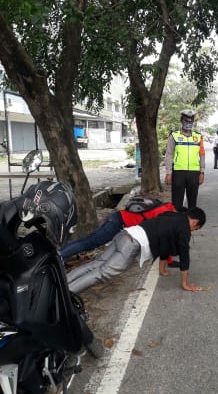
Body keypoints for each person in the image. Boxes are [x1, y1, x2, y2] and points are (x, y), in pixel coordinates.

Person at [66, 207, 206, 294]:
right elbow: (184, 256)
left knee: (96, 264)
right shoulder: (184, 229)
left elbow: (164, 244)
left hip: (124, 234)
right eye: (195, 229)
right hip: (132, 244)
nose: (193, 231)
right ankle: (65, 294)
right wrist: (185, 284)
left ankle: (64, 282)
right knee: (102, 273)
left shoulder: (171, 215)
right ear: (195, 223)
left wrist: (162, 270)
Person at [60, 198, 176, 259]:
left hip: (116, 218)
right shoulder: (164, 215)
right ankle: (60, 256)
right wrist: (168, 260)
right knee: (88, 243)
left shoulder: (163, 206)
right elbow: (162, 239)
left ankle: (59, 252)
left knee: (87, 240)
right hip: (116, 224)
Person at [165, 109, 205, 211]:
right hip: (178, 173)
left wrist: (202, 172)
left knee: (192, 202)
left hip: (194, 173)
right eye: (186, 121)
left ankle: (190, 223)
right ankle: (177, 222)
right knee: (177, 202)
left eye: (191, 121)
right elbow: (169, 154)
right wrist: (168, 173)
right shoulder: (174, 136)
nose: (188, 123)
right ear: (181, 121)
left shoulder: (198, 136)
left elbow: (202, 155)